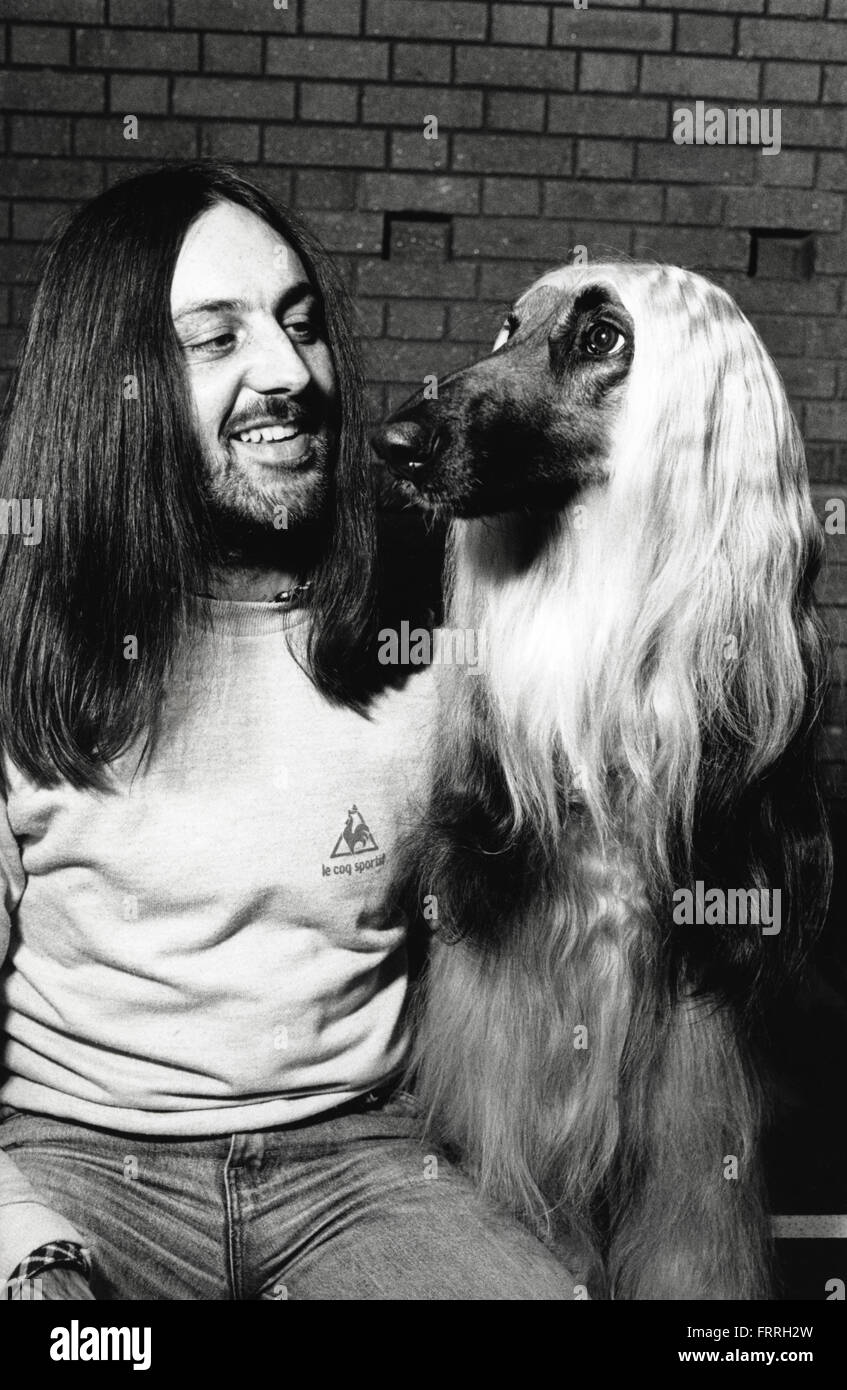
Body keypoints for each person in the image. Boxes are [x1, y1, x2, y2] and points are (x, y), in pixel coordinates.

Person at [0, 163, 576, 1300]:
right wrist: (29, 1249)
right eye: (214, 340)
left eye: (299, 324)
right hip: (77, 1163)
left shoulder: (432, 631)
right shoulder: (24, 643)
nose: (289, 372)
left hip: (353, 1164)